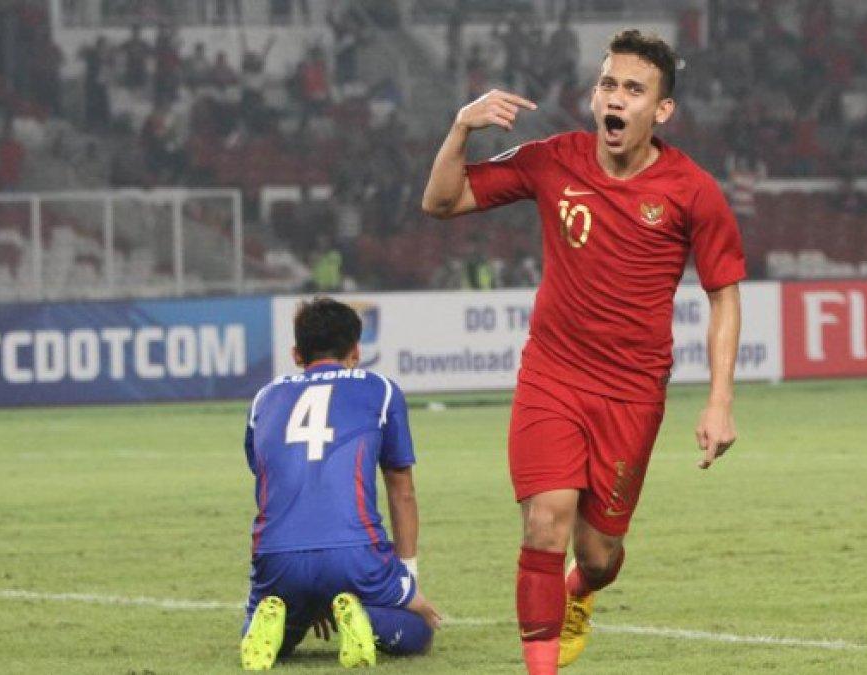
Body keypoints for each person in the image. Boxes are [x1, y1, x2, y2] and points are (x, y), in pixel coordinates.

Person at [421, 29, 745, 675]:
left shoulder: (693, 191)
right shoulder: (552, 159)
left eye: (633, 88)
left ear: (662, 110)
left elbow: (724, 297)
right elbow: (441, 201)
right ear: (594, 96)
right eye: (608, 84)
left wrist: (719, 401)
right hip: (552, 376)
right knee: (546, 520)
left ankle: (581, 592)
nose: (615, 98)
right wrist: (461, 127)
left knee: (598, 554)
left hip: (632, 394)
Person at [239, 298, 441, 670]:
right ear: (356, 351)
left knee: (269, 631)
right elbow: (402, 490)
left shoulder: (264, 399)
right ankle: (366, 618)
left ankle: (279, 616)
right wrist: (406, 581)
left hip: (276, 555)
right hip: (354, 554)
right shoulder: (380, 389)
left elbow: (270, 479)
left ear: (297, 354)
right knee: (421, 628)